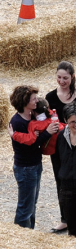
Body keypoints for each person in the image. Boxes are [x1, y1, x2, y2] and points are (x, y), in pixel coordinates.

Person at [8, 85, 58, 230]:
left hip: (35, 164)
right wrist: (47, 133)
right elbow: (28, 145)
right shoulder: (18, 122)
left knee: (32, 203)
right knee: (25, 207)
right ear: (25, 102)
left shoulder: (32, 116)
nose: (37, 100)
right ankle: (21, 233)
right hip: (25, 167)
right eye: (33, 99)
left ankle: (30, 231)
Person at [46, 62, 76, 233]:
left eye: (65, 78)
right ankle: (65, 218)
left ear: (72, 77)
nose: (62, 81)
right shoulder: (50, 97)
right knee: (61, 180)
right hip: (59, 144)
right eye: (59, 77)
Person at [53, 103, 76, 237]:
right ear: (66, 121)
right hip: (67, 188)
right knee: (72, 228)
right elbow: (57, 160)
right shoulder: (61, 136)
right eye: (73, 122)